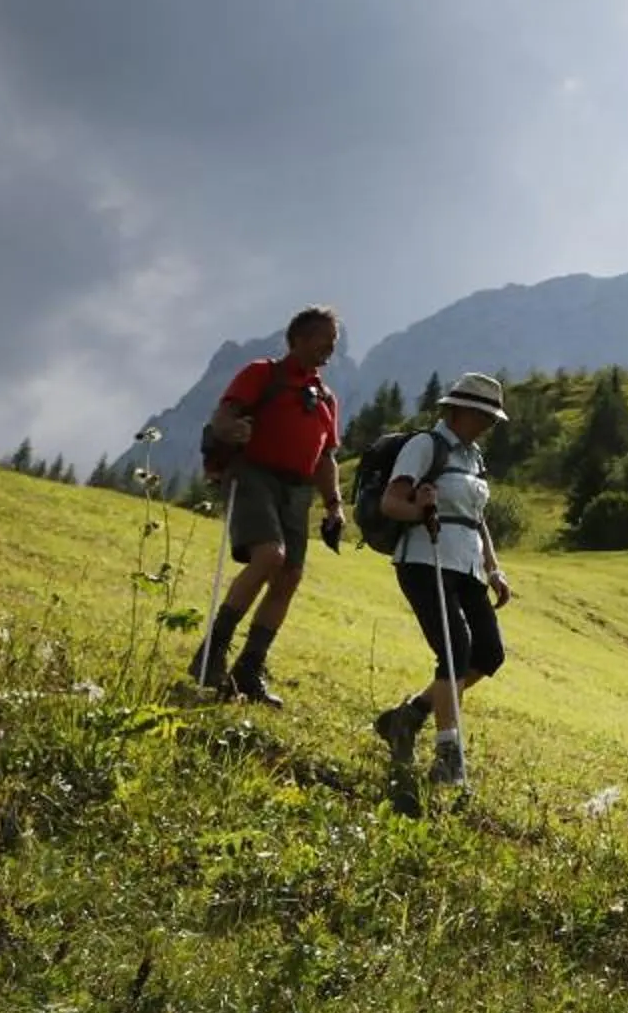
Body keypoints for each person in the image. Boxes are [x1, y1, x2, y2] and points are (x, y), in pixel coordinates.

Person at [189, 306, 346, 706]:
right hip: (253, 474)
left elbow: (326, 457)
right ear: (298, 338)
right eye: (323, 337)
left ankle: (248, 671)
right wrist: (232, 429)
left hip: (296, 490)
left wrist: (334, 505)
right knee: (269, 556)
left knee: (289, 575)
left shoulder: (326, 397)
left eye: (334, 340)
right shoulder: (263, 372)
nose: (331, 346)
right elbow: (223, 416)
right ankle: (211, 653)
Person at [372, 372, 513, 785]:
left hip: (466, 565)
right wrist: (423, 510)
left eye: (492, 417)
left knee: (489, 653)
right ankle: (448, 753)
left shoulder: (474, 457)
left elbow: (477, 518)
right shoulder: (424, 446)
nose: (488, 424)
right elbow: (392, 503)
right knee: (455, 648)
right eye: (482, 415)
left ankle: (408, 716)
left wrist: (494, 569)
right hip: (424, 559)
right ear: (457, 410)